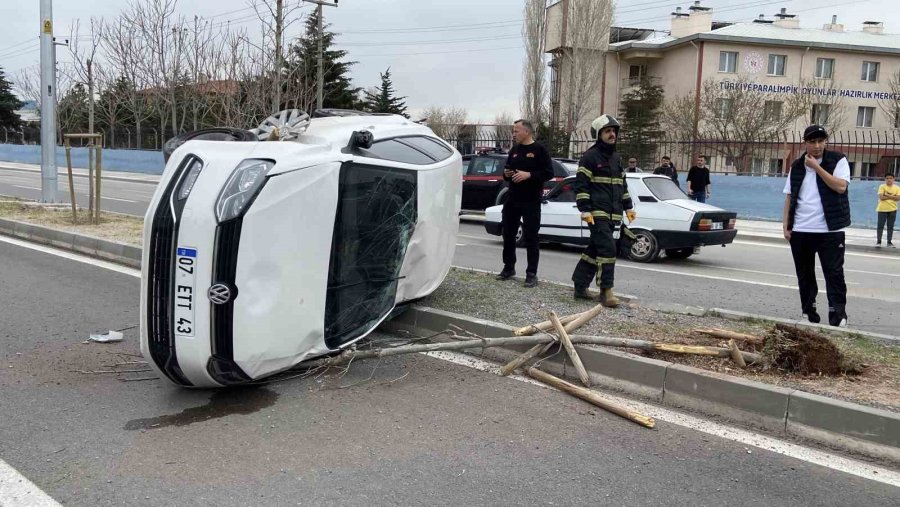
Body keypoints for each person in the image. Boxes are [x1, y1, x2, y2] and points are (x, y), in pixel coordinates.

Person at [782, 124, 851, 327]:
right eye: (813, 142)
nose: (817, 146)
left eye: (821, 141)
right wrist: (786, 225)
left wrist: (817, 168)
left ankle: (838, 315)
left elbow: (840, 187)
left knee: (834, 273)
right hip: (801, 229)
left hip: (830, 230)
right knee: (804, 274)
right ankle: (808, 312)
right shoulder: (796, 166)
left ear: (826, 142)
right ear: (806, 143)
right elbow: (789, 196)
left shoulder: (838, 160)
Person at [571, 114, 636, 307]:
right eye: (608, 131)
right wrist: (585, 210)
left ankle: (579, 285)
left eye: (614, 131)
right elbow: (581, 186)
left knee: (595, 249)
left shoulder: (616, 158)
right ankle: (606, 291)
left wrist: (628, 207)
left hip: (613, 213)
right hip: (597, 213)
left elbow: (621, 185)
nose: (612, 134)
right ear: (599, 134)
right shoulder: (590, 157)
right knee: (608, 249)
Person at [496, 119, 553, 288]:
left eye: (516, 131)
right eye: (513, 131)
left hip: (531, 200)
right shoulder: (514, 150)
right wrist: (506, 173)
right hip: (513, 198)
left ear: (527, 132)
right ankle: (508, 267)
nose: (513, 134)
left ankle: (531, 273)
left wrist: (529, 175)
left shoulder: (539, 150)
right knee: (508, 233)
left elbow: (548, 173)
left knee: (531, 237)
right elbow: (507, 172)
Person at [876, 173, 899, 247]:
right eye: (887, 178)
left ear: (893, 179)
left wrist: (887, 195)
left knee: (890, 226)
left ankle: (889, 242)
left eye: (890, 178)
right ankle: (879, 242)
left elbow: (898, 198)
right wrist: (893, 196)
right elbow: (881, 197)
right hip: (882, 209)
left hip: (893, 209)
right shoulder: (882, 186)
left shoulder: (897, 188)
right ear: (885, 179)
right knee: (880, 226)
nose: (889, 180)